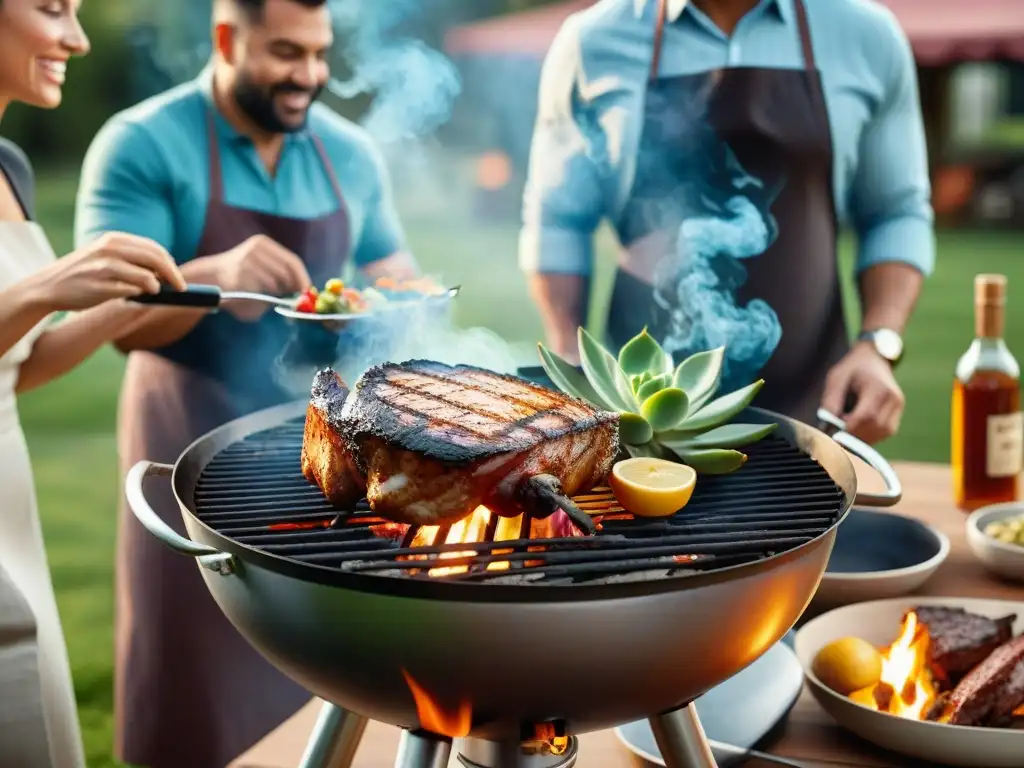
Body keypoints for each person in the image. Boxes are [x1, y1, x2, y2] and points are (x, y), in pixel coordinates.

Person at [73, 0, 418, 765]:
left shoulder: (349, 153)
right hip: (187, 444)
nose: (309, 75)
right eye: (286, 53)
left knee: (329, 671)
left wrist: (396, 303)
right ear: (228, 39)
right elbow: (109, 320)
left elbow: (396, 275)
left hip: (320, 457)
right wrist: (209, 280)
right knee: (191, 672)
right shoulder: (141, 142)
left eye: (320, 54)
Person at [519, 0, 934, 444]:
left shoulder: (866, 36)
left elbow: (895, 211)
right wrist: (567, 354)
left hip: (816, 411)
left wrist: (877, 346)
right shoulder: (592, 41)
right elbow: (560, 219)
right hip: (636, 420)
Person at [0, 2, 188, 765]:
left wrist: (121, 299)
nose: (76, 38)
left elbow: (19, 366)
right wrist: (44, 289)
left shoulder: (8, 166)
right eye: (52, 9)